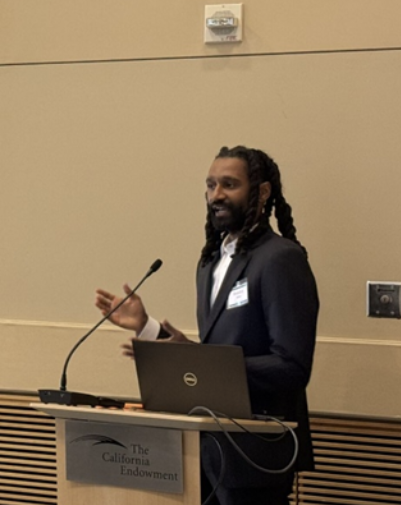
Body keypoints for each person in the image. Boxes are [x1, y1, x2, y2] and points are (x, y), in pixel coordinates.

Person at [95, 146, 319, 505]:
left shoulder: (280, 259)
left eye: (229, 184)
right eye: (211, 185)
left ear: (262, 192)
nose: (216, 195)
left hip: (256, 455)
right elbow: (213, 355)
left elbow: (292, 365)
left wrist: (204, 364)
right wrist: (148, 328)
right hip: (205, 453)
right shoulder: (210, 263)